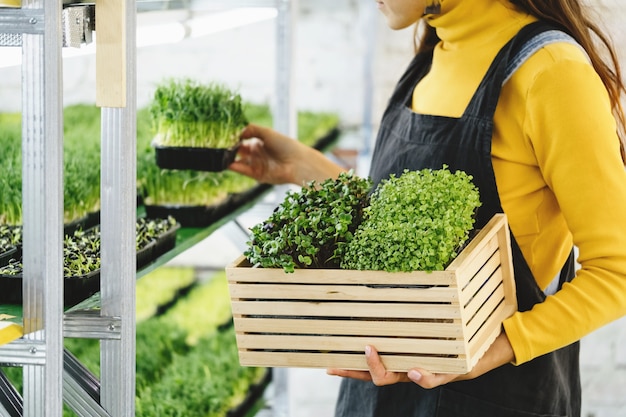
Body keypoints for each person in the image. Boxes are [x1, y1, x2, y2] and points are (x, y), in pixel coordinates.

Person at [229, 0, 626, 416]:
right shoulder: (434, 51)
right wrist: (302, 168)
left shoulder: (551, 71)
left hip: (492, 399)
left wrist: (488, 349)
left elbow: (616, 269)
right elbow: (404, 226)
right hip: (379, 397)